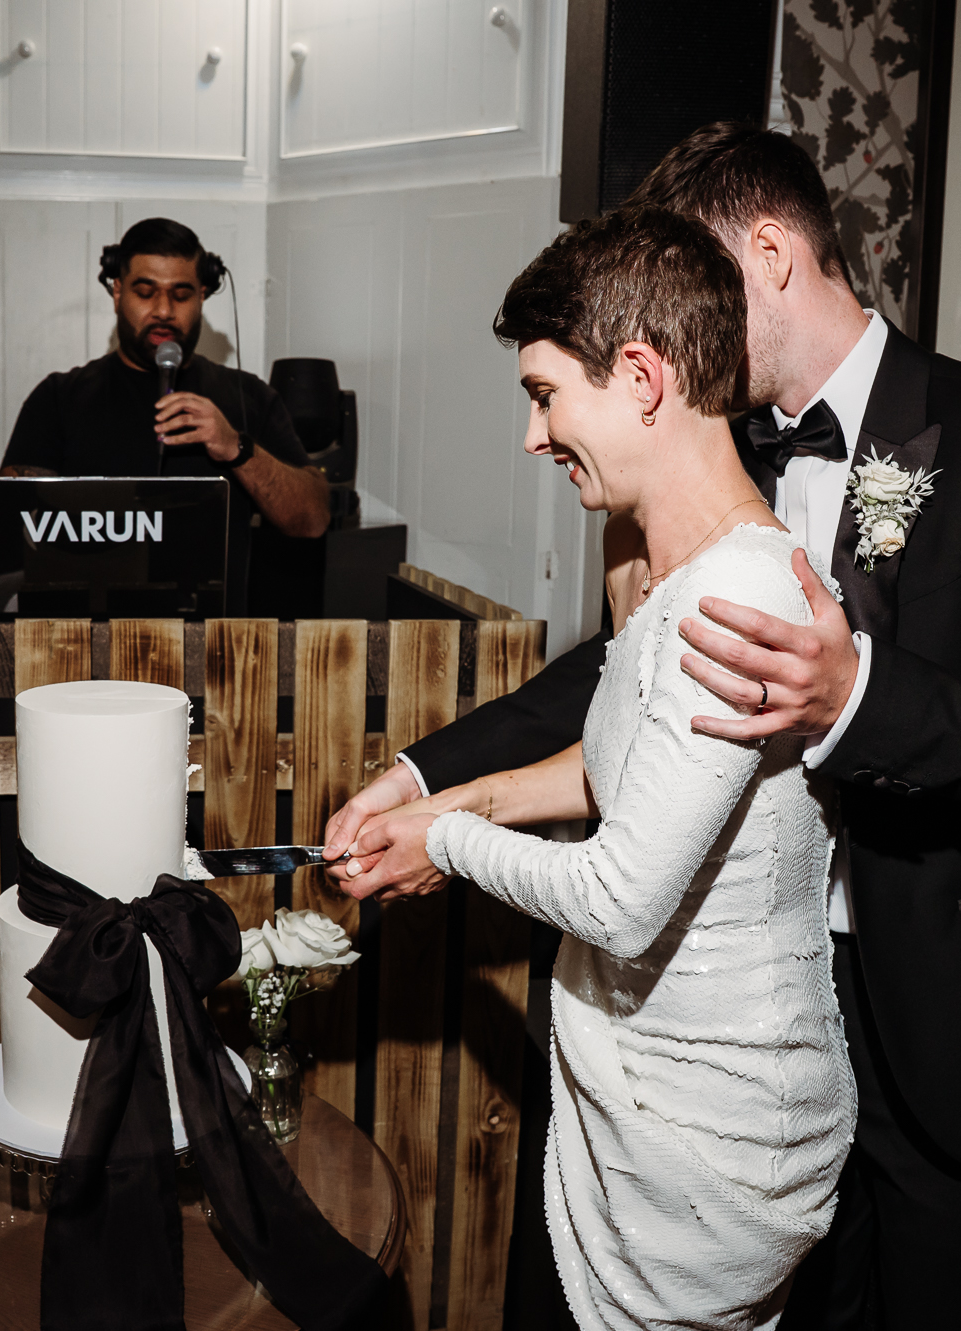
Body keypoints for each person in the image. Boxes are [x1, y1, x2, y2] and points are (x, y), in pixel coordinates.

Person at [328, 124, 961, 1330]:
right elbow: (619, 682)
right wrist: (422, 773)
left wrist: (857, 696)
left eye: (698, 274)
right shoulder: (719, 457)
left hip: (957, 1022)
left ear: (766, 253)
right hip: (747, 1015)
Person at [370, 202, 855, 1329]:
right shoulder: (672, 574)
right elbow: (618, 773)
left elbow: (624, 897)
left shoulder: (734, 595)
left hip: (707, 1137)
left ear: (638, 377)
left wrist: (443, 837)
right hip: (645, 1102)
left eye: (544, 394)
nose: (531, 436)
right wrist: (444, 797)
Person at [0, 217, 329, 612]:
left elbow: (312, 519)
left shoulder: (248, 397)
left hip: (210, 649)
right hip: (84, 648)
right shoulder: (58, 398)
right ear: (117, 292)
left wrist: (234, 447)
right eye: (145, 292)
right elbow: (11, 529)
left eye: (181, 294)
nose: (164, 310)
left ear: (203, 296)